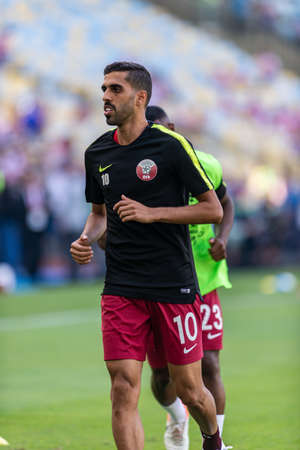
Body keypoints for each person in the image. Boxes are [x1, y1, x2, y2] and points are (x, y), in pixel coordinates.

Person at [70, 61, 224, 450]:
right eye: (103, 88)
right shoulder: (97, 153)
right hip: (121, 286)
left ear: (140, 98)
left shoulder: (171, 146)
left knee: (191, 390)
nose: (105, 96)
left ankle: (212, 438)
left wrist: (153, 213)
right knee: (123, 387)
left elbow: (213, 209)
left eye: (115, 89)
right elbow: (99, 214)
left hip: (172, 284)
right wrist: (86, 238)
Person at [145, 105, 234, 450]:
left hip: (204, 281)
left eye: (165, 131)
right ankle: (177, 418)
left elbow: (225, 203)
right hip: (163, 284)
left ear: (174, 128)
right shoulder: (142, 173)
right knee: (163, 374)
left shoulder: (205, 164)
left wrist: (222, 239)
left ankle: (215, 441)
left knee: (209, 364)